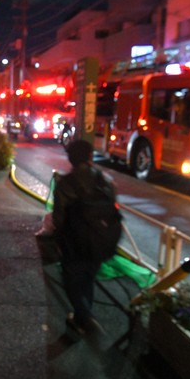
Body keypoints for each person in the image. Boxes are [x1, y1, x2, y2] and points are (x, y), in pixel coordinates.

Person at [51, 139, 121, 337]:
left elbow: (59, 218)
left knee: (71, 280)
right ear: (90, 156)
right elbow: (113, 209)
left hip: (74, 244)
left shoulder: (65, 184)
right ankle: (84, 316)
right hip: (100, 242)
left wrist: (58, 241)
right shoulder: (105, 181)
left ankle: (84, 317)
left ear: (70, 158)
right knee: (88, 278)